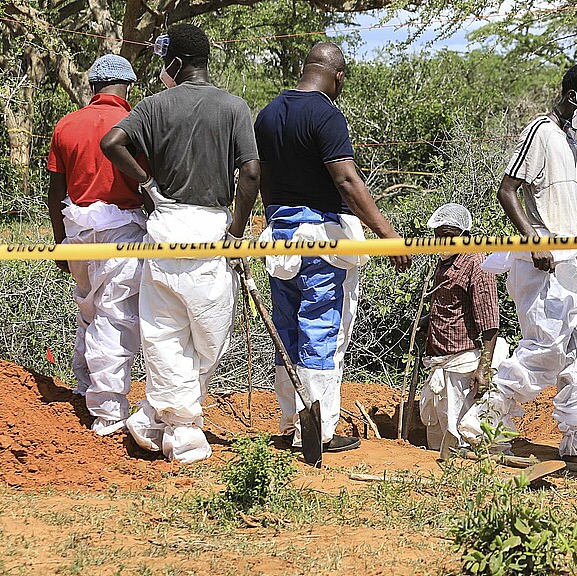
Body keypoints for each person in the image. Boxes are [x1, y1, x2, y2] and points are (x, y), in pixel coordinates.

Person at [101, 23, 261, 463]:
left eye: (163, 63)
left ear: (177, 61)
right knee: (209, 339)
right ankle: (183, 431)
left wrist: (149, 183)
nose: (160, 72)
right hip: (210, 233)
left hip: (165, 229)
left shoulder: (153, 106)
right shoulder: (233, 107)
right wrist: (236, 232)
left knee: (163, 334)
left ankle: (156, 414)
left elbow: (110, 142)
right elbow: (249, 174)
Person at [253, 42, 410, 452]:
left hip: (280, 239)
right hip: (322, 239)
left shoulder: (268, 115)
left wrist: (274, 221)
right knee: (322, 330)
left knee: (286, 330)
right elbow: (346, 180)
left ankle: (292, 422)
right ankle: (317, 432)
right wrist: (389, 237)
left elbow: (263, 179)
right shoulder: (326, 114)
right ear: (337, 76)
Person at [459, 63, 577, 460]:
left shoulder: (568, 139)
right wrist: (533, 239)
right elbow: (507, 190)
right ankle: (484, 421)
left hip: (571, 259)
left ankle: (575, 434)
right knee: (545, 347)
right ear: (573, 96)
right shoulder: (541, 131)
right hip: (544, 259)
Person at [47, 54, 147, 435]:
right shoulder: (135, 124)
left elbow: (55, 191)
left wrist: (60, 243)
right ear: (127, 88)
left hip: (77, 230)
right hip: (122, 231)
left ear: (93, 87)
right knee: (115, 316)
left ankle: (84, 386)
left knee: (87, 307)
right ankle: (107, 412)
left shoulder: (66, 125)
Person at [418, 203, 502, 450]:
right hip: (440, 358)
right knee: (438, 430)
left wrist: (483, 368)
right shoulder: (445, 262)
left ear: (465, 236)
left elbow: (489, 323)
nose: (443, 242)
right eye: (439, 236)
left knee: (461, 434)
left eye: (450, 236)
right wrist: (429, 321)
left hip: (463, 361)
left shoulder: (477, 264)